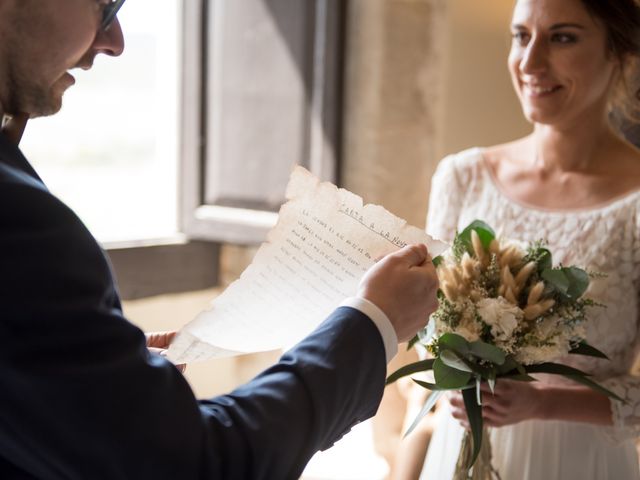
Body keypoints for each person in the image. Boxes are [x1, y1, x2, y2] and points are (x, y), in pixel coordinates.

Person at [0, 1, 440, 478]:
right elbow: (202, 466)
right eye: (104, 4)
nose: (114, 41)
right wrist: (371, 324)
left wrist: (103, 371)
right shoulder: (20, 222)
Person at [399, 0, 640, 479]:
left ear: (618, 51)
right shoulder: (461, 177)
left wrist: (545, 401)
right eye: (520, 36)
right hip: (458, 451)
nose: (529, 63)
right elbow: (428, 336)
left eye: (562, 37)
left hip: (579, 463)